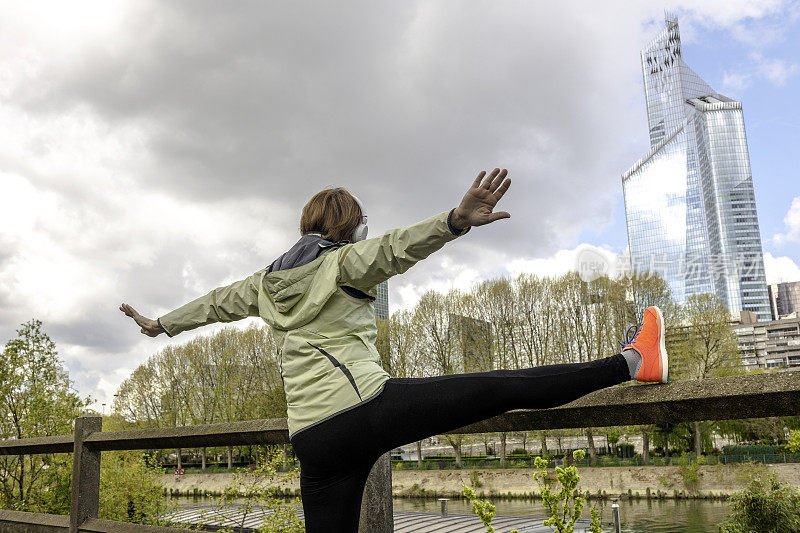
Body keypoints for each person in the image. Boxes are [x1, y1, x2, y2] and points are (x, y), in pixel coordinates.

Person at [120, 168, 669, 532]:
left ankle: (634, 360)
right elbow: (396, 248)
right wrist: (455, 222)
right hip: (361, 409)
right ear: (350, 227)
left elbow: (215, 303)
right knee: (505, 387)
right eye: (360, 224)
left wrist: (161, 324)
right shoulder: (344, 262)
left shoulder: (263, 284)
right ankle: (635, 361)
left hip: (312, 440)